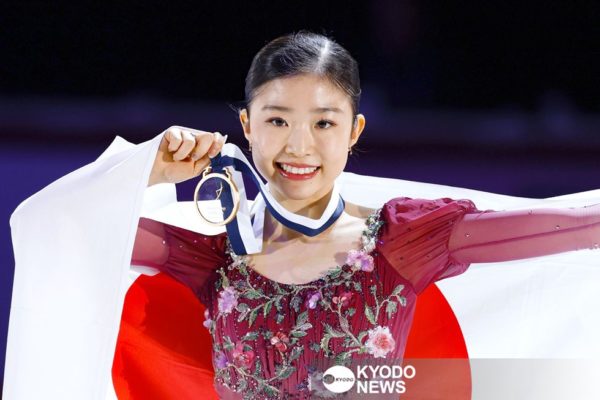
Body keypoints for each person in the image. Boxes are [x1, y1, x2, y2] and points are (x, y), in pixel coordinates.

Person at [4, 31, 600, 400]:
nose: (299, 145)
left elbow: (578, 226)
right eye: (277, 120)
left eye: (323, 122)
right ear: (246, 125)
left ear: (354, 131)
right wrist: (148, 171)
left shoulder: (401, 242)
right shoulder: (213, 257)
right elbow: (52, 229)